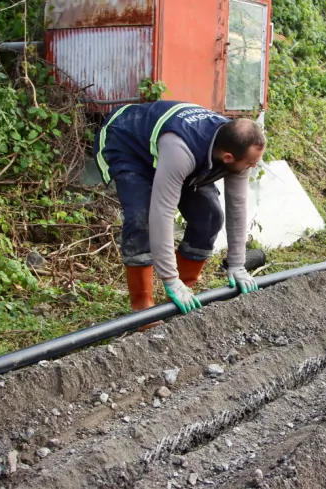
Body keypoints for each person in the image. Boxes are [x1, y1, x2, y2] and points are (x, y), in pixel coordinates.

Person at [93, 100, 265, 331]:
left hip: (176, 153)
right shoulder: (182, 151)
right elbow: (162, 213)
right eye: (250, 163)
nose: (252, 167)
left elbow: (238, 205)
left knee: (209, 217)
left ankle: (183, 292)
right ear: (227, 157)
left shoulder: (238, 145)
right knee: (141, 220)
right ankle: (143, 307)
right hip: (127, 144)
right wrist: (169, 278)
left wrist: (237, 264)